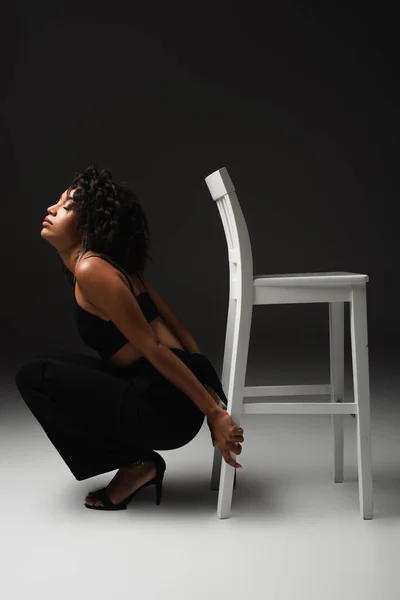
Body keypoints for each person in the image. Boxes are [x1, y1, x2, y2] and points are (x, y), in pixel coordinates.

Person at [14, 165, 244, 512]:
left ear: (88, 224)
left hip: (166, 407)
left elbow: (154, 347)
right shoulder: (113, 266)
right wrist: (210, 393)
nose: (52, 209)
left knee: (35, 378)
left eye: (66, 206)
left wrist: (214, 412)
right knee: (50, 367)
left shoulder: (93, 269)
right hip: (165, 392)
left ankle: (139, 466)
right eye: (57, 203)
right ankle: (138, 462)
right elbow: (180, 332)